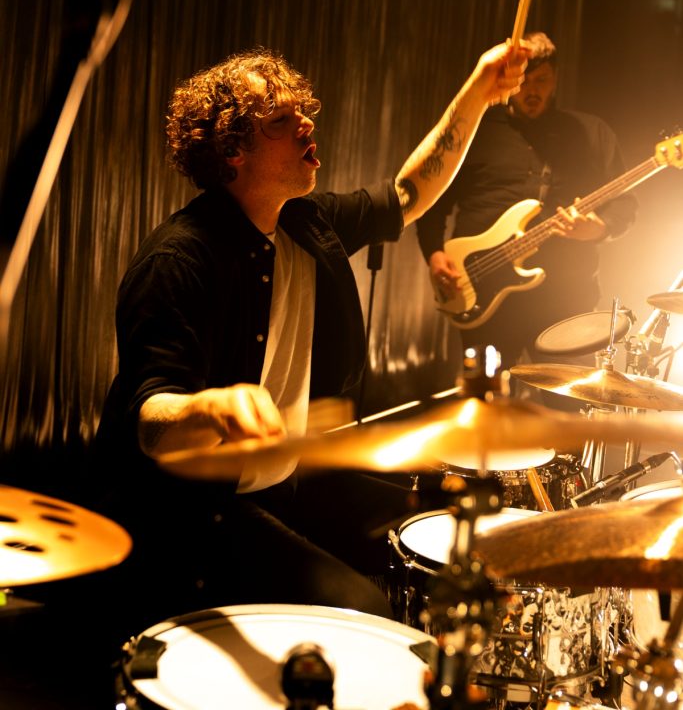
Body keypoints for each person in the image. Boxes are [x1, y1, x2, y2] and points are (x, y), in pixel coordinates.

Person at [91, 40, 527, 631]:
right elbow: (150, 419)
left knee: (454, 537)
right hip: (200, 514)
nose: (305, 124)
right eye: (280, 120)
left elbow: (410, 193)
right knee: (365, 610)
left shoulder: (306, 223)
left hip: (294, 485)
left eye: (303, 111)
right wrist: (211, 407)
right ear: (231, 152)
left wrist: (479, 90)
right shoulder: (178, 259)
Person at [416, 32, 637, 373]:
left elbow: (625, 204)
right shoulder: (476, 130)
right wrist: (434, 254)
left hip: (564, 298)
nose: (532, 91)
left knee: (567, 407)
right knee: (483, 407)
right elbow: (432, 200)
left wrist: (599, 229)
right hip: (481, 292)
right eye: (524, 82)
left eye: (542, 80)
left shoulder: (592, 134)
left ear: (556, 79)